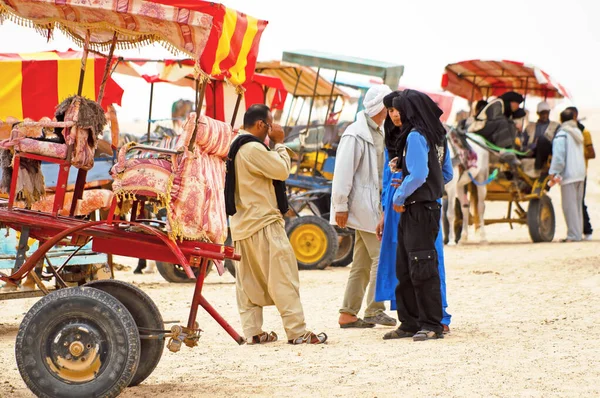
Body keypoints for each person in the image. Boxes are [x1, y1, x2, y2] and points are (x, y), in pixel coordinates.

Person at [225, 104, 327, 345]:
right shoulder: (252, 148)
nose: (274, 128)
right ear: (262, 125)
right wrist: (280, 142)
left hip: (241, 225)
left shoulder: (237, 146)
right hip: (263, 223)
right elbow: (281, 171)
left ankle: (253, 332)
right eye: (271, 123)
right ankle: (297, 332)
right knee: (283, 277)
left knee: (247, 283)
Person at [375, 90, 453, 334]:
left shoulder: (416, 137)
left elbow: (419, 175)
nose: (395, 114)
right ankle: (409, 323)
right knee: (406, 266)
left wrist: (401, 193)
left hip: (418, 208)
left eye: (399, 108)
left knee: (422, 266)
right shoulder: (433, 136)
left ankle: (430, 324)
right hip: (418, 207)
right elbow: (445, 174)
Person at [331, 84, 396, 329]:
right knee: (382, 255)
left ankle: (348, 313)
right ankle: (374, 310)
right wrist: (340, 205)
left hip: (372, 204)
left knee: (361, 262)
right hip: (362, 205)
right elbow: (343, 173)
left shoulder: (379, 131)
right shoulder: (355, 134)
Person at [548, 108, 586, 242]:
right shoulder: (577, 132)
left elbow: (559, 157)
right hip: (580, 173)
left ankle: (573, 236)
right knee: (576, 205)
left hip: (569, 175)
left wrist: (553, 172)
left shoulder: (562, 134)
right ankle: (577, 234)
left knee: (569, 206)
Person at [566, 106, 595, 240]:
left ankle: (586, 230)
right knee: (572, 203)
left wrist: (576, 154)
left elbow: (591, 153)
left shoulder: (585, 133)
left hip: (581, 172)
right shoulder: (567, 132)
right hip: (570, 172)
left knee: (579, 202)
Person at [521, 101, 560, 170]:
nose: (545, 115)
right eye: (542, 113)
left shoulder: (555, 126)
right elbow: (523, 143)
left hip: (547, 153)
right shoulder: (530, 126)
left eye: (546, 113)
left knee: (542, 139)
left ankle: (538, 168)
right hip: (531, 151)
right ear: (538, 113)